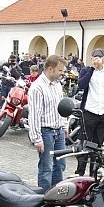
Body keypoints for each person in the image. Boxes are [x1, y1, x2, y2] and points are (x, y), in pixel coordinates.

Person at [28, 55, 68, 191]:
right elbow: (34, 115)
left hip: (59, 131)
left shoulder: (57, 85)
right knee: (46, 168)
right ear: (50, 69)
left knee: (60, 165)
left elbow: (61, 107)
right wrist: (37, 139)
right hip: (46, 133)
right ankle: (44, 198)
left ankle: (57, 196)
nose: (62, 74)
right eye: (60, 71)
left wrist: (64, 125)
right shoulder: (37, 88)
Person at [74, 48, 104, 176]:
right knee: (85, 143)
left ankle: (94, 173)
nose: (97, 60)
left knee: (97, 146)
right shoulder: (87, 70)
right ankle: (80, 172)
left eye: (100, 57)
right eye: (95, 57)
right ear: (92, 58)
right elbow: (81, 85)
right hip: (89, 112)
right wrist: (92, 69)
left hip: (103, 113)